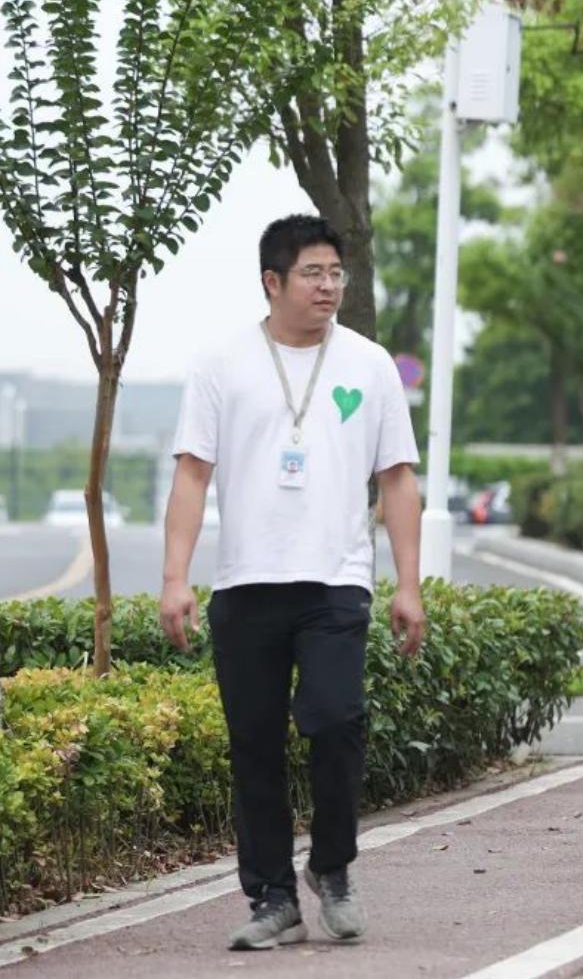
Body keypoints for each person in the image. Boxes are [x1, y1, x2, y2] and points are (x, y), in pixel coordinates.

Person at [159, 215, 425, 951]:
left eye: (336, 272)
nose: (329, 286)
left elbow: (397, 479)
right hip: (246, 584)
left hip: (336, 581)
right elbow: (192, 474)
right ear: (272, 282)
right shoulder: (221, 363)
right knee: (254, 746)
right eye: (313, 273)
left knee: (336, 720)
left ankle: (332, 866)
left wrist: (408, 585)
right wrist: (176, 578)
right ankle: (273, 896)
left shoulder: (369, 364)